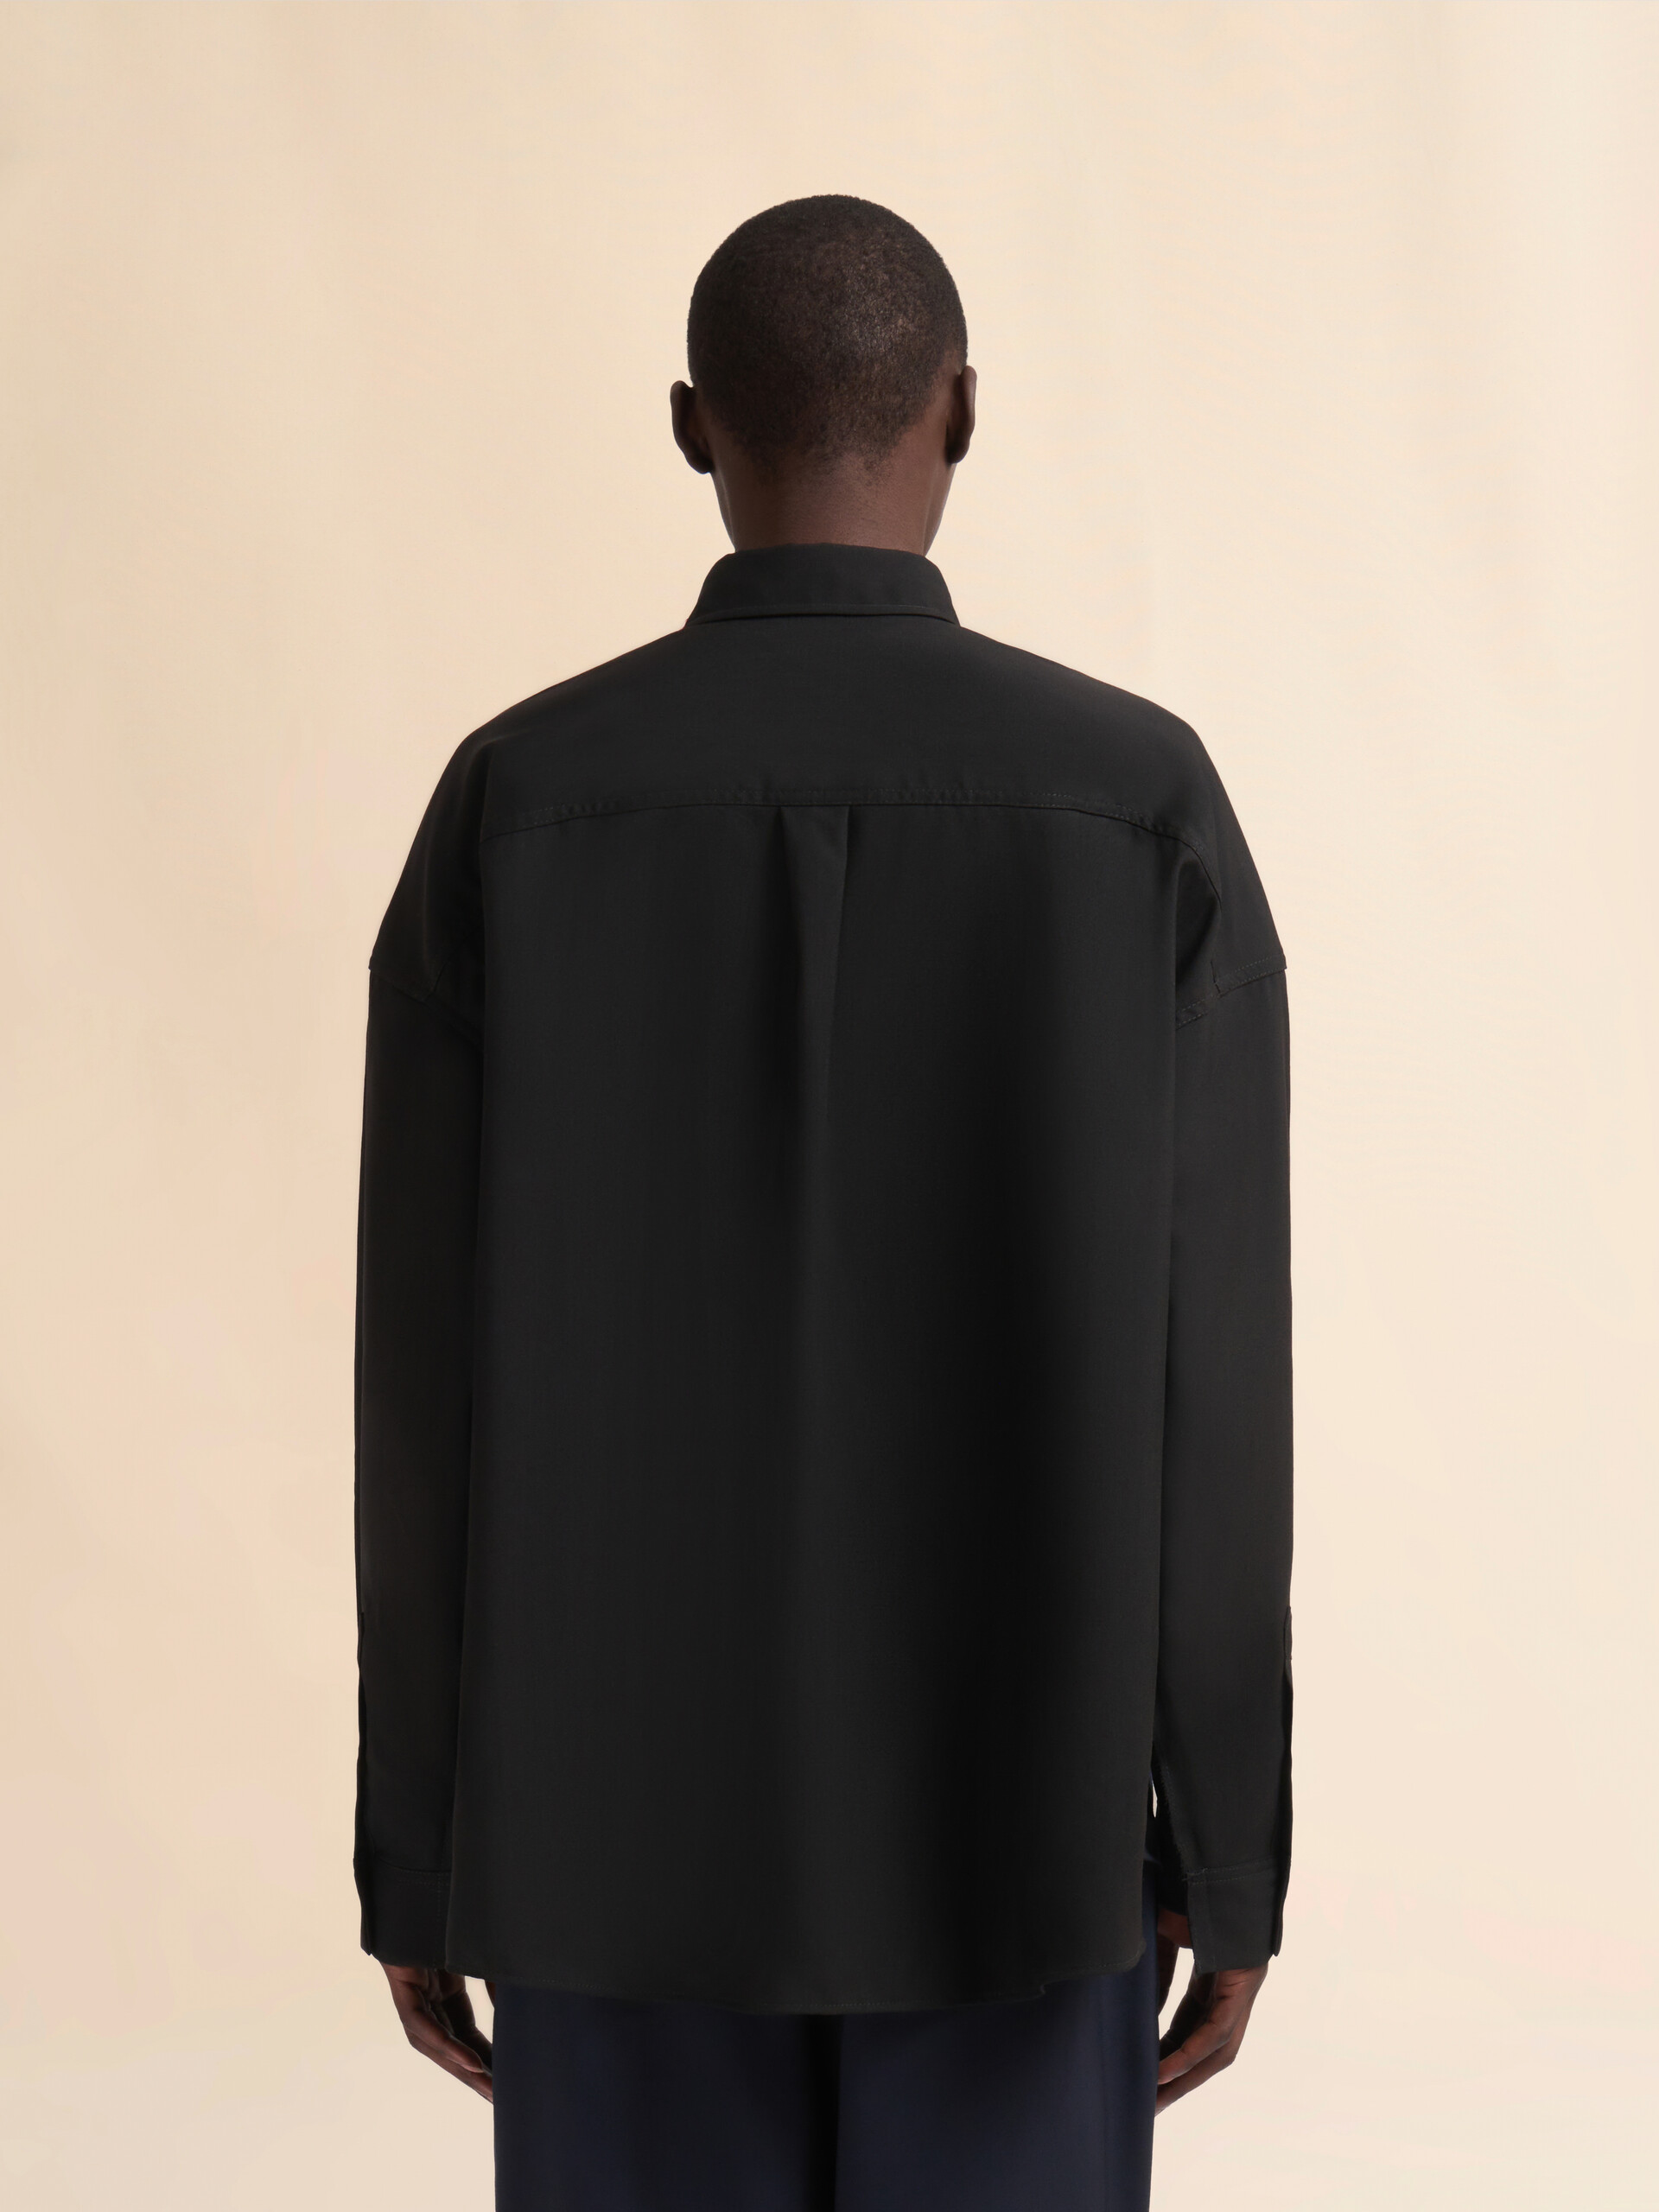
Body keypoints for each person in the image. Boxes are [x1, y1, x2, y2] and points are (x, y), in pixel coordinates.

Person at [353, 194, 1293, 2212]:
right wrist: (1229, 1850)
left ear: (693, 427)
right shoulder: (1140, 803)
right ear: (964, 412)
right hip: (1026, 1850)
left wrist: (418, 1845)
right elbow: (1214, 1383)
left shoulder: (518, 798)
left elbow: (419, 1382)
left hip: (606, 1861)